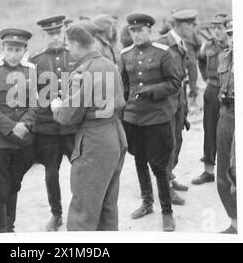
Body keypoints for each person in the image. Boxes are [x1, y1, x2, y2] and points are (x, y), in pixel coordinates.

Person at [51, 23, 127, 231]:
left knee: (83, 210)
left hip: (94, 140)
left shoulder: (82, 72)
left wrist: (57, 106)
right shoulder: (108, 63)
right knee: (107, 205)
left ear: (76, 44)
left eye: (68, 44)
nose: (67, 48)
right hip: (115, 134)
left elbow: (69, 116)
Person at [120, 13, 180, 232]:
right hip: (134, 118)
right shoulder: (125, 55)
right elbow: (123, 88)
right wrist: (121, 114)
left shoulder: (163, 53)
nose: (136, 35)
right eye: (132, 31)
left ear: (149, 31)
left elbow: (175, 83)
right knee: (139, 160)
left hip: (157, 118)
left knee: (160, 166)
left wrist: (152, 91)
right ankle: (147, 203)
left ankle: (167, 212)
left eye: (140, 30)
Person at [0, 28, 36, 233]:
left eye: (18, 50)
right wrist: (12, 127)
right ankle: (0, 233)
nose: (14, 54)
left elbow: (34, 105)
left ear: (25, 50)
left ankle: (9, 228)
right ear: (2, 48)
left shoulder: (30, 71)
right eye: (10, 49)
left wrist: (25, 125)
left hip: (21, 141)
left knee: (14, 185)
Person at [28, 15, 76, 231]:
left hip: (72, 127)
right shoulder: (35, 61)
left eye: (58, 33)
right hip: (47, 128)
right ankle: (56, 214)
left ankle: (80, 209)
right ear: (44, 36)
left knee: (80, 168)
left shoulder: (74, 57)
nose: (55, 37)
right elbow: (28, 95)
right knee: (51, 173)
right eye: (50, 34)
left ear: (64, 33)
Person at [157, 9, 198, 205]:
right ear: (182, 26)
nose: (194, 28)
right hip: (167, 103)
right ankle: (165, 190)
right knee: (168, 145)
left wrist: (185, 105)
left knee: (177, 142)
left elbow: (182, 79)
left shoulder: (181, 43)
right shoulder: (164, 43)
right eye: (192, 25)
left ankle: (169, 177)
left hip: (178, 100)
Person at [192, 13, 228, 185]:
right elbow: (200, 61)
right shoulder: (207, 45)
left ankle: (230, 172)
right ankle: (208, 172)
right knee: (209, 129)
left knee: (229, 132)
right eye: (214, 27)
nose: (216, 31)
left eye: (220, 27)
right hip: (212, 90)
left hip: (229, 92)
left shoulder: (233, 45)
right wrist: (207, 79)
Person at [216, 17, 237, 234]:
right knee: (223, 173)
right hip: (226, 115)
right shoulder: (225, 57)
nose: (233, 38)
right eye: (230, 34)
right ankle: (235, 223)